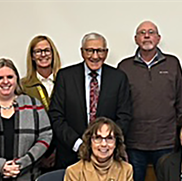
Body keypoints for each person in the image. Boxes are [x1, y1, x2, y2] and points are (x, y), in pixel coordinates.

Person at [118, 20, 182, 181]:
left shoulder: (172, 63)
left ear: (158, 38)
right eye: (142, 32)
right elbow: (119, 107)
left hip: (167, 142)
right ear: (136, 39)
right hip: (135, 144)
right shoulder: (124, 67)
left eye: (151, 32)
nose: (147, 35)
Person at [49, 32, 132, 169]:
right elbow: (56, 116)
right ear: (82, 52)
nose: (95, 56)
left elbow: (124, 116)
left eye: (99, 51)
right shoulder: (65, 77)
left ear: (106, 53)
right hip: (70, 155)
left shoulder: (118, 78)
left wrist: (104, 144)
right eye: (89, 51)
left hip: (107, 158)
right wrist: (78, 144)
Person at [21, 35, 62, 171]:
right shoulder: (23, 86)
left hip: (62, 148)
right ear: (32, 56)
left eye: (47, 50)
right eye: (38, 51)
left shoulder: (66, 80)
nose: (43, 55)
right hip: (35, 150)